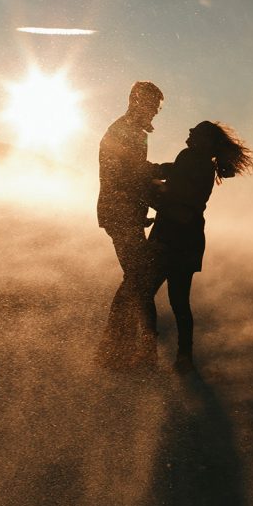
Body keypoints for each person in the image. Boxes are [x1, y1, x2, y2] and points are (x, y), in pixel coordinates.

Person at [149, 121, 253, 373]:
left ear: (203, 140)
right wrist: (154, 171)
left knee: (142, 293)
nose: (189, 132)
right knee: (179, 301)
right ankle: (184, 357)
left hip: (170, 236)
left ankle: (145, 350)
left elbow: (174, 189)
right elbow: (175, 175)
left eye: (194, 131)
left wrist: (144, 189)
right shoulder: (205, 164)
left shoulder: (190, 158)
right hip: (191, 238)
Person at [96, 80, 167, 369]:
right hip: (119, 213)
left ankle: (122, 346)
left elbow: (132, 176)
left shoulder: (131, 130)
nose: (154, 114)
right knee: (139, 279)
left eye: (156, 109)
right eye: (152, 107)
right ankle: (119, 349)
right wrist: (172, 173)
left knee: (137, 279)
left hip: (125, 213)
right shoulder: (125, 131)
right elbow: (130, 174)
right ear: (138, 102)